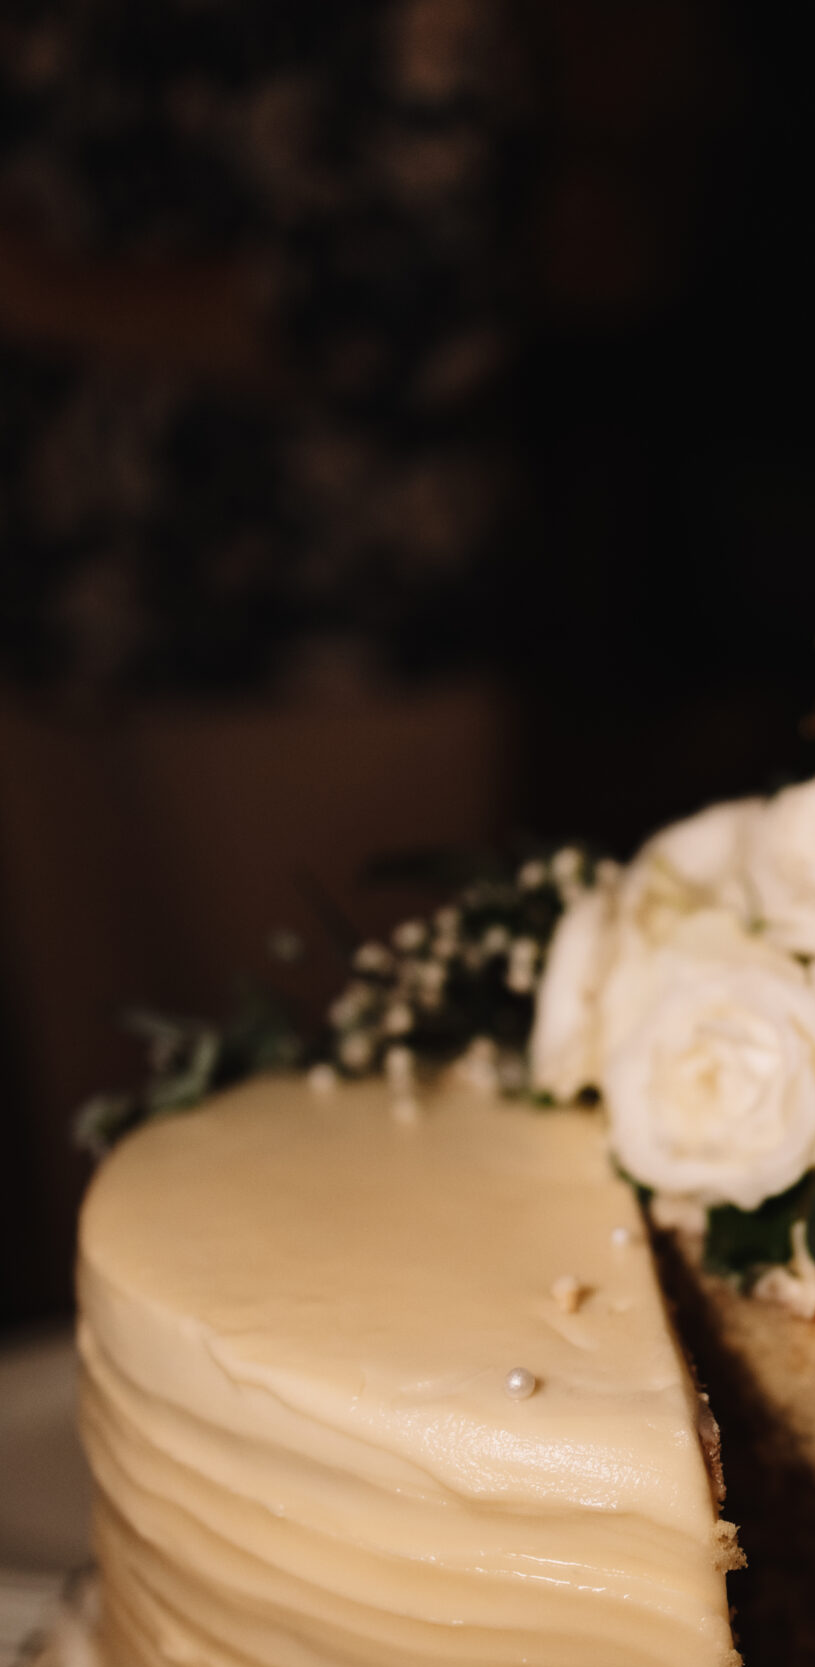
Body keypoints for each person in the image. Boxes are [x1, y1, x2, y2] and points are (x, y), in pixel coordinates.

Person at [0, 0, 527, 1306]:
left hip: (323, 641)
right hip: (49, 614)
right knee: (104, 1164)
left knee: (352, 1179)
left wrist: (35, 286)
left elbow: (404, 303)